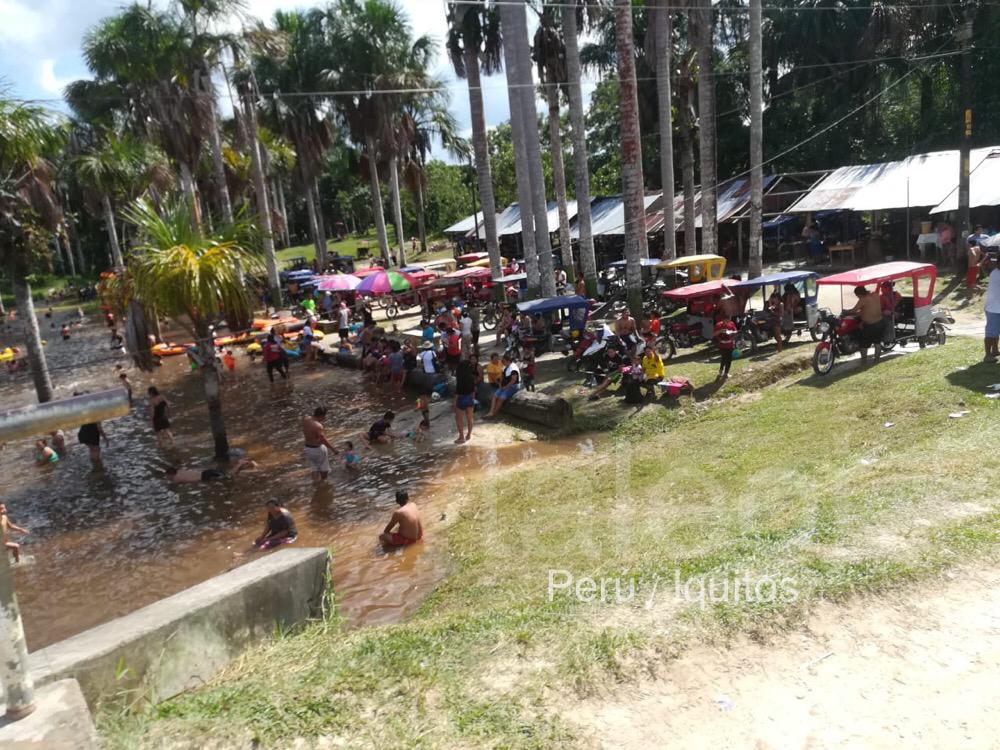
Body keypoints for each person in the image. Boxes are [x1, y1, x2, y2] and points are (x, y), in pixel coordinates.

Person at [846, 286, 884, 364]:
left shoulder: (863, 299)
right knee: (877, 343)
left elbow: (854, 310)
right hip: (880, 322)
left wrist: (845, 312)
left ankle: (863, 362)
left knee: (863, 345)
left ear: (859, 294)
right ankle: (876, 361)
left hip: (870, 325)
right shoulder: (875, 295)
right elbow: (869, 308)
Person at [303, 407, 336, 481]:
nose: (324, 418)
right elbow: (323, 439)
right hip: (317, 449)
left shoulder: (306, 419)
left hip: (307, 449)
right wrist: (333, 449)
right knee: (324, 469)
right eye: (324, 416)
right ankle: (323, 484)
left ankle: (315, 483)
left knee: (314, 468)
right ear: (321, 415)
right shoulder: (318, 426)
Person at [165, 459, 258, 484]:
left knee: (229, 475)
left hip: (206, 476)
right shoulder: (180, 471)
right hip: (207, 471)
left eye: (167, 476)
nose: (167, 478)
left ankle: (240, 464)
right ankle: (248, 466)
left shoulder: (176, 478)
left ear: (171, 474)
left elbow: (173, 484)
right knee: (229, 473)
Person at [486, 354, 520, 418]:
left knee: (501, 398)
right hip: (504, 385)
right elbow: (502, 376)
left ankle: (493, 414)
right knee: (495, 395)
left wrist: (506, 387)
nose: (502, 362)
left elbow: (513, 381)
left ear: (508, 361)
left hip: (513, 386)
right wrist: (501, 384)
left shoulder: (513, 369)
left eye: (504, 361)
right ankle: (491, 412)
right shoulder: (505, 367)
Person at [453, 357, 477, 444]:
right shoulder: (472, 378)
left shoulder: (460, 379)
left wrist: (454, 404)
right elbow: (474, 390)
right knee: (470, 418)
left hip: (461, 399)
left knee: (458, 418)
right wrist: (473, 399)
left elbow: (457, 393)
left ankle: (461, 437)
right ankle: (469, 435)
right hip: (470, 398)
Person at [983, 252, 1000, 361]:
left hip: (993, 307)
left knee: (995, 331)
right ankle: (987, 355)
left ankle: (995, 350)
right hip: (995, 309)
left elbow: (984, 266)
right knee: (991, 332)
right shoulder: (997, 274)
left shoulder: (995, 272)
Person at [713, 313, 738, 380]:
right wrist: (720, 331)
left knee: (729, 359)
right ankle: (721, 370)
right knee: (724, 358)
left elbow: (735, 331)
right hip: (722, 345)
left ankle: (726, 373)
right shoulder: (718, 325)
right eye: (726, 321)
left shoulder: (731, 323)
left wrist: (732, 332)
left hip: (730, 344)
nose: (727, 322)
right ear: (723, 320)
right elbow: (714, 334)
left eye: (729, 320)